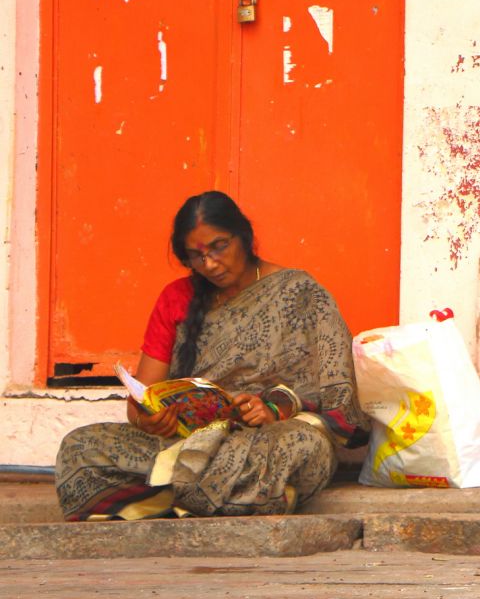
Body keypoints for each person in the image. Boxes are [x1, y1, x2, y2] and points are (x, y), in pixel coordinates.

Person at [55, 191, 367, 520]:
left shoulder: (300, 292)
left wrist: (274, 409)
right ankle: (210, 501)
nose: (210, 264)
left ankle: (169, 501)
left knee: (299, 446)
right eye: (196, 256)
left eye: (219, 247)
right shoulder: (176, 298)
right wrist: (148, 419)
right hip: (187, 443)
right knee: (81, 447)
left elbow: (338, 395)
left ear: (243, 236)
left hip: (270, 436)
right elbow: (140, 399)